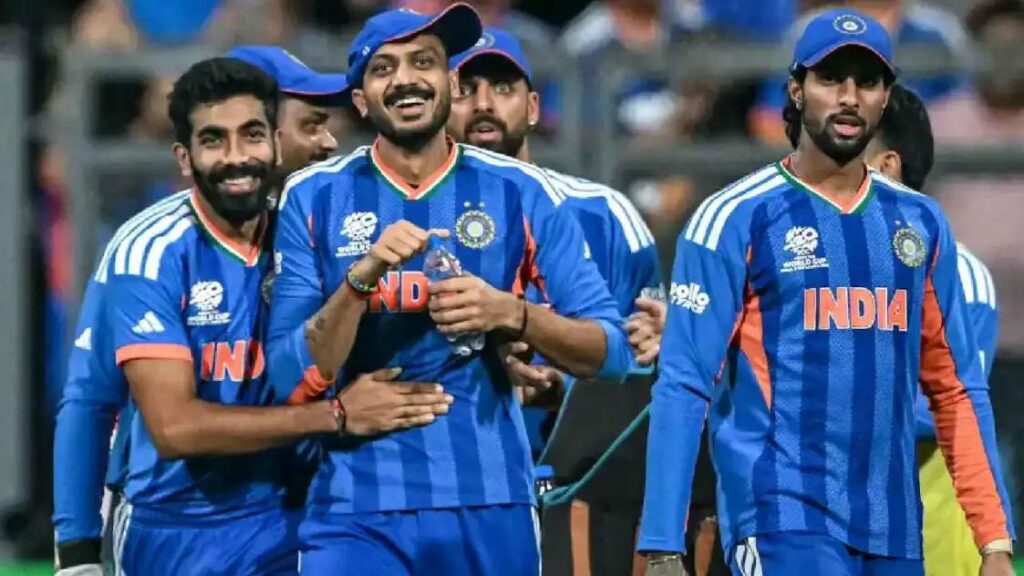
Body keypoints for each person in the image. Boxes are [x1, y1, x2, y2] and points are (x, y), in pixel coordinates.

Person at [637, 9, 1014, 576]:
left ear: (885, 98)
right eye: (831, 79)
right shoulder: (735, 216)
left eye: (867, 81)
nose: (849, 97)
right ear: (796, 90)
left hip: (893, 524)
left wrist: (994, 541)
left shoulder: (920, 223)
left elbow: (956, 389)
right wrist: (663, 543)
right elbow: (685, 382)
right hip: (781, 514)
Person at [265, 5, 633, 575]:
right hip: (353, 507)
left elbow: (611, 354)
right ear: (360, 100)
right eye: (384, 68)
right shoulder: (313, 195)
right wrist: (358, 283)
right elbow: (288, 376)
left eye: (424, 62)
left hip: (491, 500)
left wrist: (512, 313)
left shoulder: (520, 190)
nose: (406, 79)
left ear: (451, 82)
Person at [52, 51, 451, 576]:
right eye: (311, 124)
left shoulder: (317, 233)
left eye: (251, 135)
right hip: (181, 524)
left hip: (302, 513)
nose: (327, 143)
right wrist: (77, 549)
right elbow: (123, 410)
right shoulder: (152, 249)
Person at [445, 26, 663, 444]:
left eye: (503, 88)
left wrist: (565, 391)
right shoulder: (413, 219)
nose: (483, 103)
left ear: (532, 107)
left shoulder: (604, 213)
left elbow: (644, 358)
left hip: (573, 463)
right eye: (464, 90)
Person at [864, 83, 999, 576]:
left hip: (931, 546)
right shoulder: (805, 266)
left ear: (886, 167)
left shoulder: (960, 277)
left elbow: (941, 409)